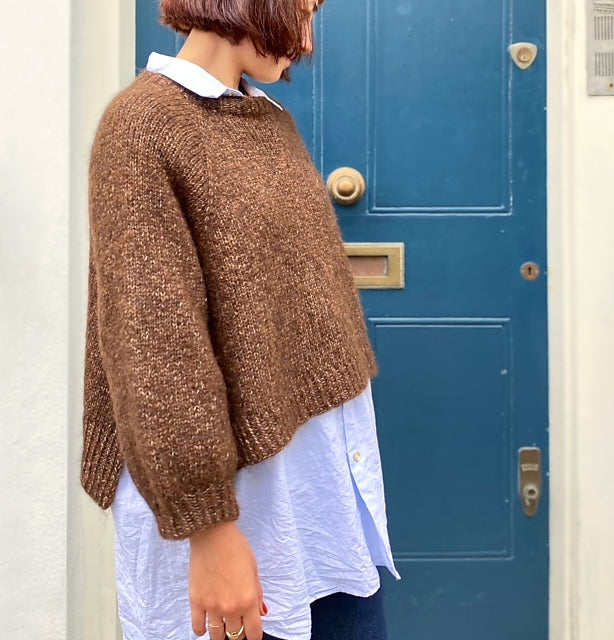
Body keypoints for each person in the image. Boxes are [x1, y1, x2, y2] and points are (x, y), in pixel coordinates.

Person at [80, 0, 400, 639]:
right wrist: (209, 528)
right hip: (238, 510)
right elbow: (154, 346)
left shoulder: (268, 117)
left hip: (320, 493)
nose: (307, 39)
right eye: (304, 10)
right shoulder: (141, 126)